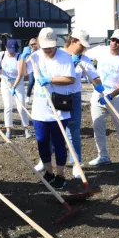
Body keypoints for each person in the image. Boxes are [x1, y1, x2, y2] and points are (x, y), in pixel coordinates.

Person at [26, 28, 75, 189]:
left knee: (59, 143)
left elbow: (70, 79)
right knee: (42, 143)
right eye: (45, 46)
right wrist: (22, 58)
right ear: (39, 43)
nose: (48, 49)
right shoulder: (34, 57)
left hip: (59, 109)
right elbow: (22, 73)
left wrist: (51, 80)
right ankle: (48, 172)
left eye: (51, 46)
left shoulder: (64, 57)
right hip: (39, 110)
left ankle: (60, 175)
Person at [84, 29, 119, 173]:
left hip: (115, 97)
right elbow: (83, 55)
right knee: (98, 127)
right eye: (113, 39)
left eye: (118, 41)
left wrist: (112, 95)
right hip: (98, 94)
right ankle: (103, 156)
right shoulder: (101, 50)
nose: (114, 43)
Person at [58, 30, 102, 179]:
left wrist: (100, 88)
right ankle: (44, 161)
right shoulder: (59, 54)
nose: (83, 49)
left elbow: (94, 77)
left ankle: (77, 163)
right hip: (58, 96)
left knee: (74, 131)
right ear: (72, 41)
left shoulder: (84, 59)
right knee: (55, 130)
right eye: (81, 45)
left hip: (75, 97)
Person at [0, 39, 31, 139]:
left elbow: (21, 74)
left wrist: (14, 87)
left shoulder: (19, 57)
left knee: (21, 107)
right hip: (5, 83)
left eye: (14, 51)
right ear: (6, 48)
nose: (12, 53)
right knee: (8, 107)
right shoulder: (1, 55)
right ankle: (8, 129)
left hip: (18, 84)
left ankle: (26, 128)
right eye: (10, 50)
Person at [25, 38, 38, 104]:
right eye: (31, 44)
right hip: (31, 70)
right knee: (31, 82)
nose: (33, 46)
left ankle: (37, 97)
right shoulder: (28, 51)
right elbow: (25, 61)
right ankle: (28, 97)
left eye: (34, 44)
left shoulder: (40, 50)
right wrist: (27, 55)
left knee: (38, 84)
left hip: (39, 69)